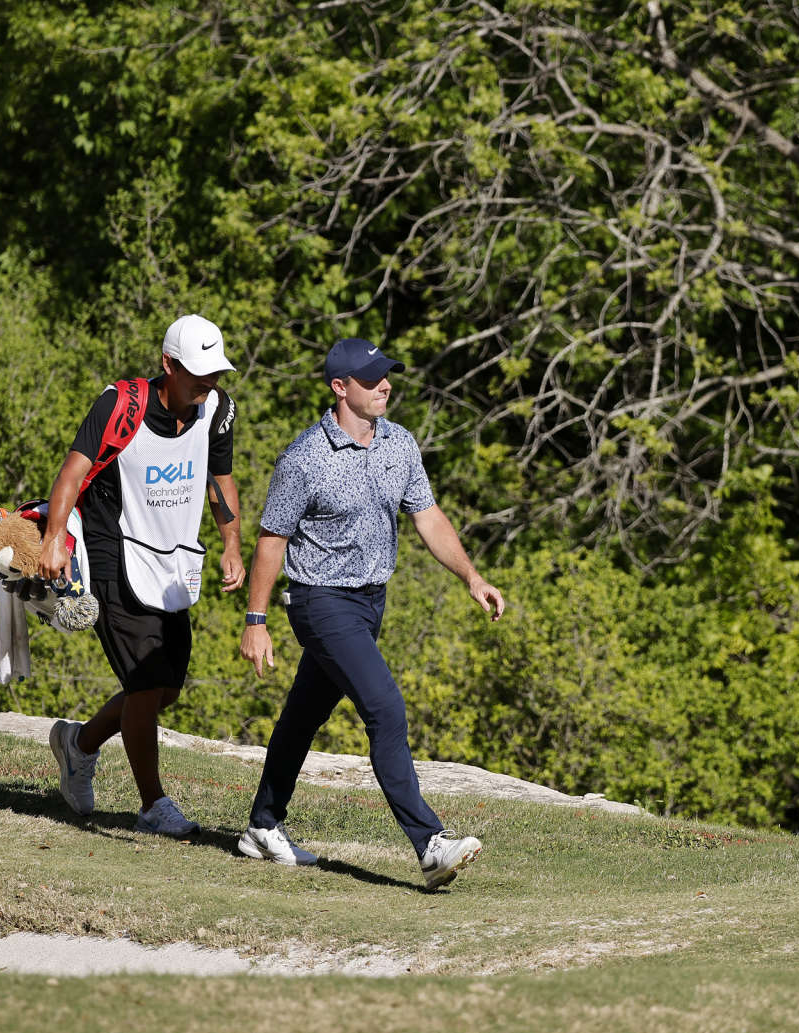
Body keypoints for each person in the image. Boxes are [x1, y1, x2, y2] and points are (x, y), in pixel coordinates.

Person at [236, 337, 505, 889]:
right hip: (319, 600)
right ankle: (430, 845)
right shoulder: (305, 458)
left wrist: (471, 577)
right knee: (384, 706)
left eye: (386, 376)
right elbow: (271, 542)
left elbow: (428, 516)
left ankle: (262, 826)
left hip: (369, 602)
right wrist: (255, 620)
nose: (385, 385)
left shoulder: (400, 445)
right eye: (371, 378)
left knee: (304, 715)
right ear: (340, 388)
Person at [41, 314, 246, 836]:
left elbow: (219, 479)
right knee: (146, 682)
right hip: (115, 550)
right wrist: (53, 538)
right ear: (167, 364)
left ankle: (79, 744)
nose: (208, 384)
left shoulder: (216, 410)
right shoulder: (120, 404)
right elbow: (74, 470)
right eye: (197, 373)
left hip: (173, 558)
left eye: (215, 373)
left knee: (165, 686)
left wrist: (231, 544)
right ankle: (154, 804)